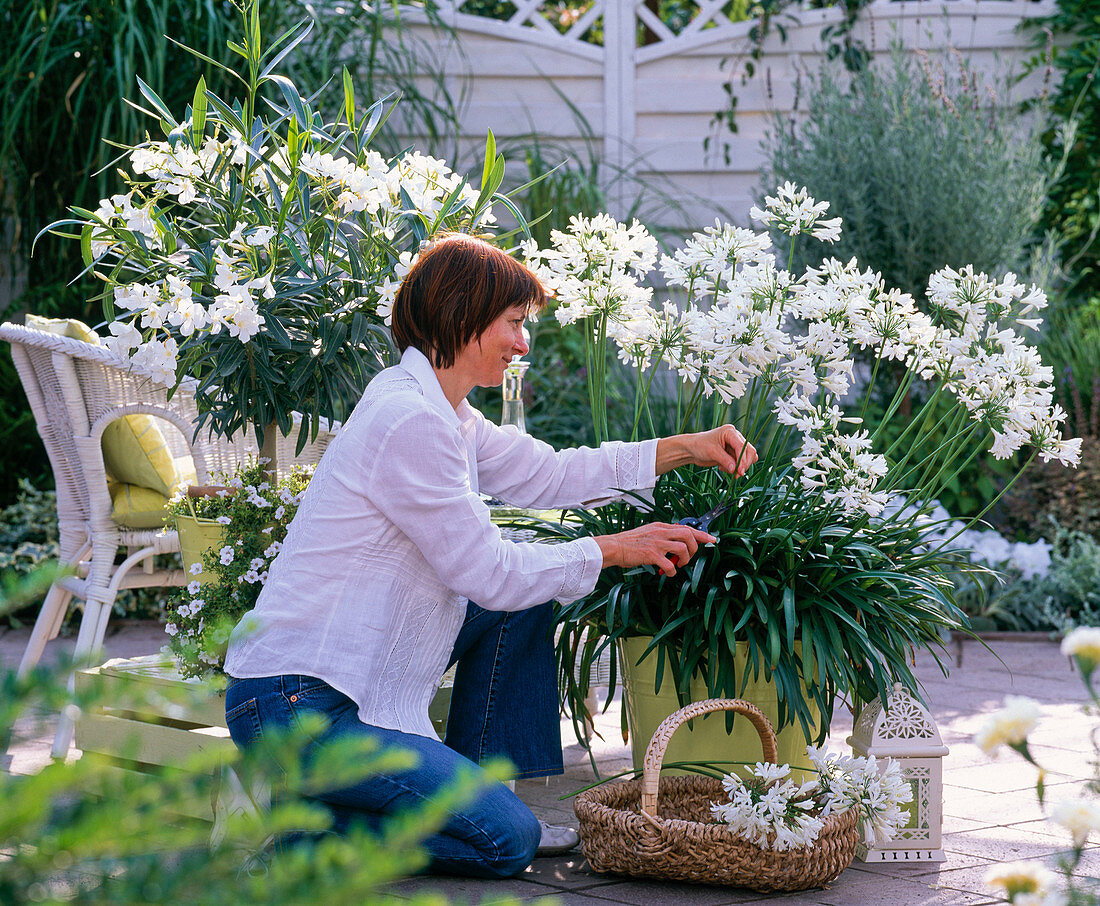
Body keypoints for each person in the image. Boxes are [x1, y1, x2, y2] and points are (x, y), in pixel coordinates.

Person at [222, 234, 757, 878]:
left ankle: (479, 791)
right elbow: (488, 572)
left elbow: (552, 474)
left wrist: (686, 447)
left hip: (325, 694)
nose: (523, 343)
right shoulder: (410, 421)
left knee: (526, 605)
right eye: (514, 323)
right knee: (506, 843)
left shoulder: (443, 412)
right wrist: (617, 548)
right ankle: (304, 832)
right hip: (297, 707)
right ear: (464, 318)